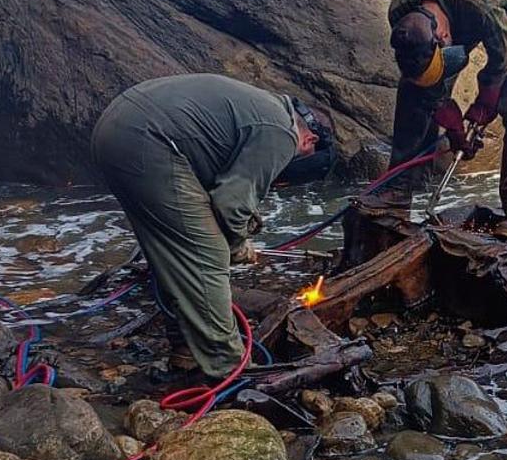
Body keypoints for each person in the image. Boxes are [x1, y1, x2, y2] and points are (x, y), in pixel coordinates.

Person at [91, 74, 333, 379]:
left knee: (172, 252)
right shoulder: (283, 133)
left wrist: (238, 230)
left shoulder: (266, 108)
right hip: (147, 139)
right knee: (208, 253)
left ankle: (186, 350)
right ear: (310, 139)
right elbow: (231, 205)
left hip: (117, 126)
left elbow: (216, 188)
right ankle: (228, 369)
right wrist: (238, 246)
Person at [387, 0, 507, 240]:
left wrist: (486, 100)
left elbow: (505, 54)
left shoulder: (482, 5)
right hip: (459, 3)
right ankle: (396, 192)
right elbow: (428, 89)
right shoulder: (400, 11)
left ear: (444, 37)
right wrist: (451, 121)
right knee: (413, 95)